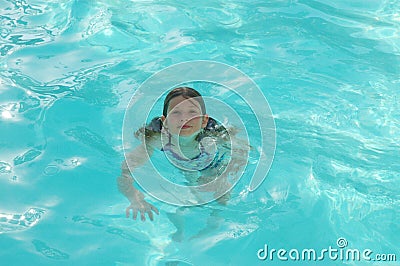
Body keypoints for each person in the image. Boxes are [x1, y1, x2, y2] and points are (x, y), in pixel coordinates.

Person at [117, 87, 247, 224]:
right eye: (176, 112)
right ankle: (181, 224)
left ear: (203, 121)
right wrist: (134, 196)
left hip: (211, 162)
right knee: (191, 187)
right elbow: (127, 170)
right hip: (183, 163)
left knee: (222, 194)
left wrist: (223, 175)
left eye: (192, 112)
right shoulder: (157, 139)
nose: (184, 118)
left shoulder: (215, 136)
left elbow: (243, 154)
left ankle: (215, 221)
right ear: (165, 122)